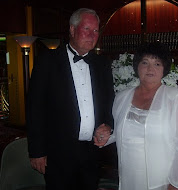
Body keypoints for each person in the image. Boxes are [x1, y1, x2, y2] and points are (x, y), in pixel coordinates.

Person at [26, 8, 114, 190]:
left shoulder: (102, 64)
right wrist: (37, 151)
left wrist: (107, 124)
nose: (92, 35)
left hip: (92, 152)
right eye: (87, 29)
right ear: (72, 30)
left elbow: (108, 103)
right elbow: (35, 108)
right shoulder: (47, 61)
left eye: (96, 30)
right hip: (58, 152)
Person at [97, 42, 178, 190]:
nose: (150, 68)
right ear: (137, 66)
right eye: (145, 62)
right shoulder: (122, 97)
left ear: (164, 69)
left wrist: (176, 183)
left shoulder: (176, 97)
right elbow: (119, 132)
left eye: (157, 64)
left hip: (163, 180)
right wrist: (103, 137)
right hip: (130, 177)